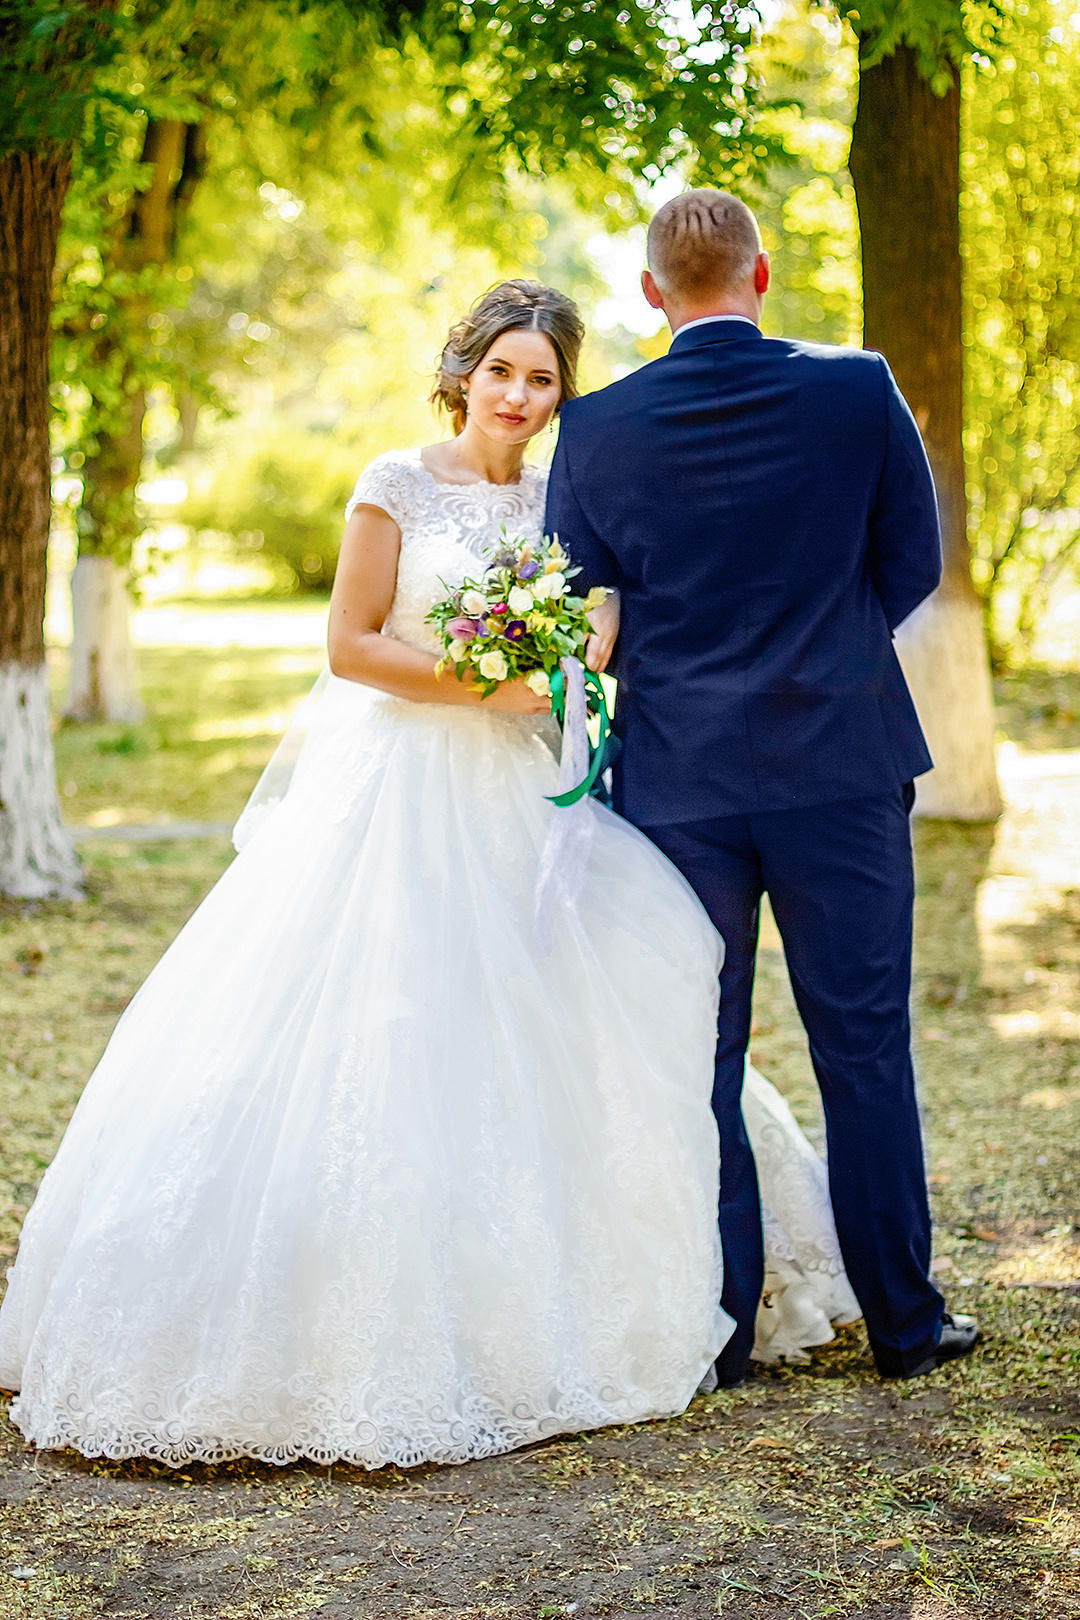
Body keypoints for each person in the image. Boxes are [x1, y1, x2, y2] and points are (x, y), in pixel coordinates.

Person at [0, 279, 857, 1470]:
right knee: (385, 1020)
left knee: (595, 999)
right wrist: (492, 686)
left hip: (523, 795)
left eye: (543, 378)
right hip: (399, 793)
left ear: (563, 395)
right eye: (502, 370)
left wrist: (578, 657)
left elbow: (599, 617)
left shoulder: (569, 496)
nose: (519, 394)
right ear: (464, 373)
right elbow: (351, 646)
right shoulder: (394, 483)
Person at [545, 191, 979, 1388]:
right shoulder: (857, 387)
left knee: (703, 1053)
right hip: (842, 767)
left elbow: (584, 605)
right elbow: (912, 561)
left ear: (650, 294)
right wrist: (830, 660)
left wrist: (683, 675)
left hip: (681, 779)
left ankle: (725, 1329)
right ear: (761, 273)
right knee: (865, 1048)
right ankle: (905, 1323)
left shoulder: (598, 430)